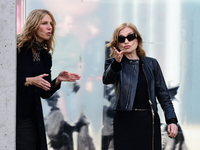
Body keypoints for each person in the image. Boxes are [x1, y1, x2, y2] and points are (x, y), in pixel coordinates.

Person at [102, 22, 178, 150]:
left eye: (130, 37)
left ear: (137, 39)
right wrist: (116, 63)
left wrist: (171, 120)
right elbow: (107, 79)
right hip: (124, 121)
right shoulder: (113, 63)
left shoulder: (151, 64)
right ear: (118, 44)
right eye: (121, 39)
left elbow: (164, 95)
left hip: (149, 120)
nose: (126, 41)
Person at [16, 9, 81, 150]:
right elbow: (5, 80)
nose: (49, 27)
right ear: (33, 25)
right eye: (44, 23)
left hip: (31, 117)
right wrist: (28, 80)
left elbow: (44, 93)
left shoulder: (45, 56)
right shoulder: (16, 48)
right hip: (11, 113)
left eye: (51, 23)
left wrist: (58, 80)